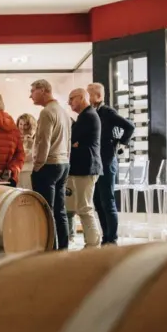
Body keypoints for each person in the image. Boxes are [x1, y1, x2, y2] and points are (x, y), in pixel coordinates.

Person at [87, 82, 135, 245]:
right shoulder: (93, 113)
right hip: (96, 163)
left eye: (89, 94)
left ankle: (112, 239)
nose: (87, 97)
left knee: (107, 201)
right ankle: (106, 237)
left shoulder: (107, 112)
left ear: (98, 96)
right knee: (98, 201)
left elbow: (129, 126)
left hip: (107, 162)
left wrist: (120, 143)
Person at [29, 79, 71, 250]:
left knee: (45, 210)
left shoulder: (47, 112)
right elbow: (68, 141)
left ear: (43, 90)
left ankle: (50, 250)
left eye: (32, 91)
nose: (30, 95)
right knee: (60, 210)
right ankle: (63, 249)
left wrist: (38, 165)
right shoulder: (63, 111)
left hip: (49, 165)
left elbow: (43, 142)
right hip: (63, 164)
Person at [67, 87, 103, 248]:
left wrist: (75, 144)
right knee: (82, 207)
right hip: (84, 168)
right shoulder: (86, 116)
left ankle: (93, 244)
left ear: (81, 97)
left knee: (85, 208)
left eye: (71, 98)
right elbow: (73, 142)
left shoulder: (87, 116)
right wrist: (75, 144)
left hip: (86, 168)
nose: (69, 102)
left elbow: (71, 139)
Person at [16, 113, 37, 189]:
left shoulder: (33, 139)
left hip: (28, 170)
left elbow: (30, 156)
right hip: (17, 171)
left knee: (28, 192)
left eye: (25, 125)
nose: (22, 127)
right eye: (20, 124)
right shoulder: (15, 137)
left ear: (30, 126)